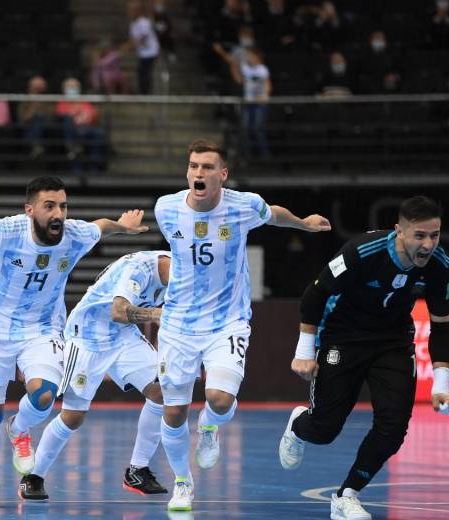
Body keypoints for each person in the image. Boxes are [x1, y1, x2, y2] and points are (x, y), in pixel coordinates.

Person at [0, 176, 148, 508]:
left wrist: (123, 225)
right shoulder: (7, 230)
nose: (58, 213)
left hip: (42, 329)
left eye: (62, 205)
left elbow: (99, 226)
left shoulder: (74, 234)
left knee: (45, 394)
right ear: (30, 210)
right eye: (49, 206)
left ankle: (19, 428)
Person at [153, 140, 330, 512]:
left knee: (219, 399)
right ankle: (183, 483)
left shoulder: (243, 206)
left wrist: (303, 223)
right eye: (193, 166)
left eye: (206, 167)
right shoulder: (166, 208)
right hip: (178, 325)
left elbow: (273, 213)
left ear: (223, 174)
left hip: (227, 321)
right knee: (172, 413)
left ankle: (211, 427)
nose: (198, 173)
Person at [279, 195, 449, 520]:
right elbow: (316, 293)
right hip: (343, 335)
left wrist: (441, 384)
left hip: (392, 341)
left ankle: (346, 496)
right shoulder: (363, 251)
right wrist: (304, 351)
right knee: (325, 429)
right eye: (420, 235)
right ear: (399, 232)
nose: (428, 244)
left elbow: (442, 328)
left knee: (393, 427)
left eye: (435, 235)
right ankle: (298, 427)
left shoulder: (440, 265)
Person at [23, 250, 172, 500]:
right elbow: (119, 311)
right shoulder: (139, 269)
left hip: (124, 335)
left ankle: (137, 471)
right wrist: (157, 315)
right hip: (87, 337)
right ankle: (33, 476)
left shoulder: (185, 274)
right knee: (73, 416)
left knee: (162, 392)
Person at [215, 46, 271, 159]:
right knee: (244, 129)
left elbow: (268, 84)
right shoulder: (244, 67)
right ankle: (248, 156)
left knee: (257, 129)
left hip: (260, 104)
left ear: (256, 57)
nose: (248, 57)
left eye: (250, 55)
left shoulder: (262, 69)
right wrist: (224, 54)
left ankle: (265, 156)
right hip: (248, 103)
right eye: (247, 55)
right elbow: (237, 77)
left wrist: (265, 95)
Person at [123, 1, 160, 95]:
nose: (129, 13)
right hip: (142, 52)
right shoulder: (133, 24)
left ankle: (147, 93)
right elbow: (133, 39)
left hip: (151, 52)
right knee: (141, 72)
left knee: (146, 72)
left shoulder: (143, 22)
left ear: (137, 11)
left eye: (131, 11)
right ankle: (143, 92)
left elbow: (142, 38)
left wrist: (128, 46)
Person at [17, 75, 55, 158]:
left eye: (39, 87)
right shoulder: (24, 102)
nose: (37, 90)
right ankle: (36, 146)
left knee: (39, 117)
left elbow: (51, 117)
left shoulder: (49, 101)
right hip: (28, 130)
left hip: (47, 130)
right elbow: (23, 120)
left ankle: (36, 146)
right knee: (36, 119)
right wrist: (33, 105)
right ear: (30, 87)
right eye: (35, 87)